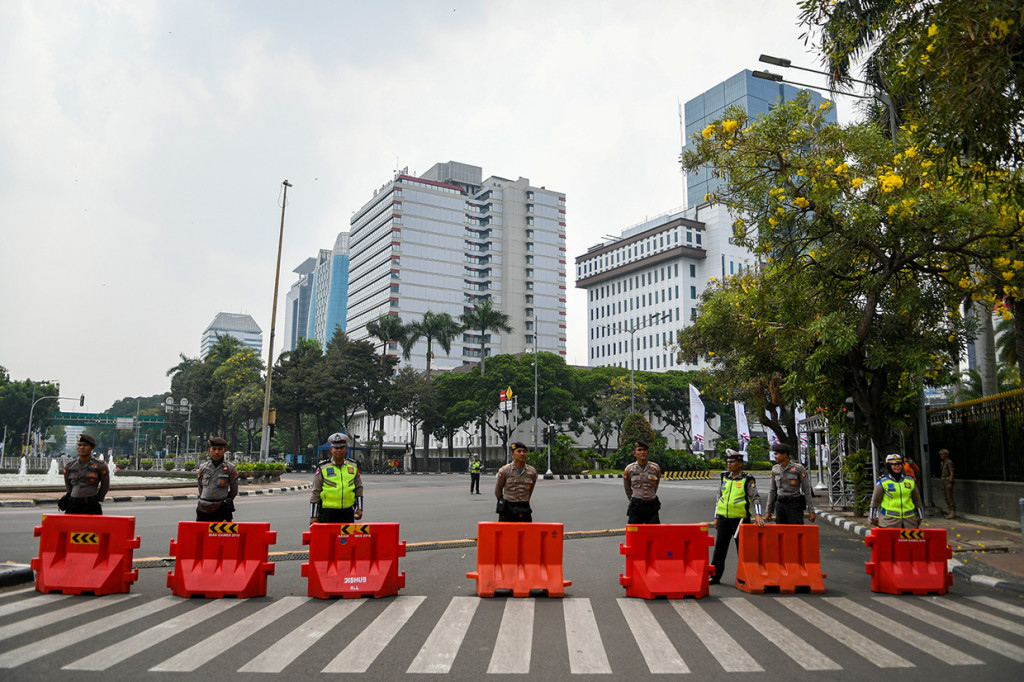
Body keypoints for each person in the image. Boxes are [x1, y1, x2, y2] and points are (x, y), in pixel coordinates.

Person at [710, 450, 764, 585]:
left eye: (732, 462)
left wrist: (758, 514)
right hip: (723, 518)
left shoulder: (747, 479)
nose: (729, 464)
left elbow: (755, 498)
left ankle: (745, 576)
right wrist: (716, 517)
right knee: (719, 548)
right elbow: (719, 497)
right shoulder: (724, 477)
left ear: (740, 464)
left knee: (743, 550)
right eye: (728, 462)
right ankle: (715, 576)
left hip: (740, 520)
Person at [309, 432, 363, 524]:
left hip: (347, 512)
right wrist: (313, 516)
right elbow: (316, 492)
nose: (339, 450)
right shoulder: (323, 467)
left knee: (346, 534)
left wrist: (360, 508)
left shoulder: (353, 466)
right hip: (327, 513)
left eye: (342, 448)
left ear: (346, 449)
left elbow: (359, 488)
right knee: (327, 534)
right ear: (331, 449)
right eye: (336, 448)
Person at [765, 443, 816, 524]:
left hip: (794, 505)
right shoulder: (775, 469)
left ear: (785, 454)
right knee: (781, 530)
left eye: (776, 454)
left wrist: (811, 511)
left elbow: (806, 490)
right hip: (780, 505)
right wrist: (768, 511)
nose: (775, 456)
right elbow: (772, 491)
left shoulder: (798, 468)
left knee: (796, 530)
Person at [869, 454, 924, 528]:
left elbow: (917, 499)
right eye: (894, 465)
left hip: (909, 522)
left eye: (899, 464)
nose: (897, 467)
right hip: (888, 522)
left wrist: (920, 516)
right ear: (889, 466)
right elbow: (875, 500)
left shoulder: (910, 481)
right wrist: (872, 517)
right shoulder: (883, 482)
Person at [61, 434, 109, 515]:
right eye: (79, 445)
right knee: (70, 523)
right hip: (73, 504)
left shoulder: (100, 465)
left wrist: (98, 498)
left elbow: (105, 485)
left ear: (92, 447)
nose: (82, 447)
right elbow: (68, 485)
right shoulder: (69, 466)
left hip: (91, 505)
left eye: (85, 445)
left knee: (94, 524)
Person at [195, 436, 238, 522]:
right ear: (209, 450)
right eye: (214, 449)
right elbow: (200, 486)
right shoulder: (203, 468)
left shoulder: (230, 468)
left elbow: (234, 490)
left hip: (221, 509)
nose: (217, 452)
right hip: (203, 508)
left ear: (225, 450)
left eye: (220, 449)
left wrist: (225, 502)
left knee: (223, 531)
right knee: (201, 530)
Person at [495, 442, 537, 522]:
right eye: (519, 451)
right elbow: (498, 490)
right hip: (508, 507)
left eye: (524, 451)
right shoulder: (505, 470)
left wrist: (525, 500)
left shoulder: (532, 471)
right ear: (512, 454)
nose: (522, 454)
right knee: (506, 529)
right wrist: (503, 503)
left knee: (526, 529)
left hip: (524, 506)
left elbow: (530, 490)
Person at [623, 441, 661, 524]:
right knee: (634, 530)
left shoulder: (655, 468)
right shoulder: (629, 469)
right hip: (636, 505)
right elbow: (627, 486)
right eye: (639, 450)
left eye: (644, 450)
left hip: (651, 505)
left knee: (654, 530)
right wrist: (632, 499)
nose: (642, 452)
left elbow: (656, 484)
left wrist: (651, 494)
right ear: (634, 453)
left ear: (648, 452)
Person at [939, 448, 956, 519]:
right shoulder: (943, 462)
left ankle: (953, 511)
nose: (941, 455)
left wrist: (950, 482)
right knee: (946, 496)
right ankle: (950, 511)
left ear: (946, 455)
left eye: (942, 454)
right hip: (944, 480)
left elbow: (952, 472)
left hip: (947, 480)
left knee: (949, 496)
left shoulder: (949, 462)